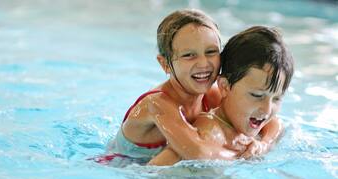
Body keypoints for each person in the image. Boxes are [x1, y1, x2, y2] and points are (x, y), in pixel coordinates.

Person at [102, 9, 283, 164]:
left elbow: (272, 121)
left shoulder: (213, 94)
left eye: (211, 52)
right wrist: (244, 155)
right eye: (189, 55)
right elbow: (198, 154)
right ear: (165, 64)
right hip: (125, 168)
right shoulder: (157, 103)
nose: (204, 63)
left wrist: (263, 144)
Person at [147, 26, 294, 166]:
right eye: (257, 95)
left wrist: (264, 144)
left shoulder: (245, 122)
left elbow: (276, 124)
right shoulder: (209, 133)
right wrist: (236, 157)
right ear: (224, 86)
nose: (267, 110)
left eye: (276, 98)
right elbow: (154, 168)